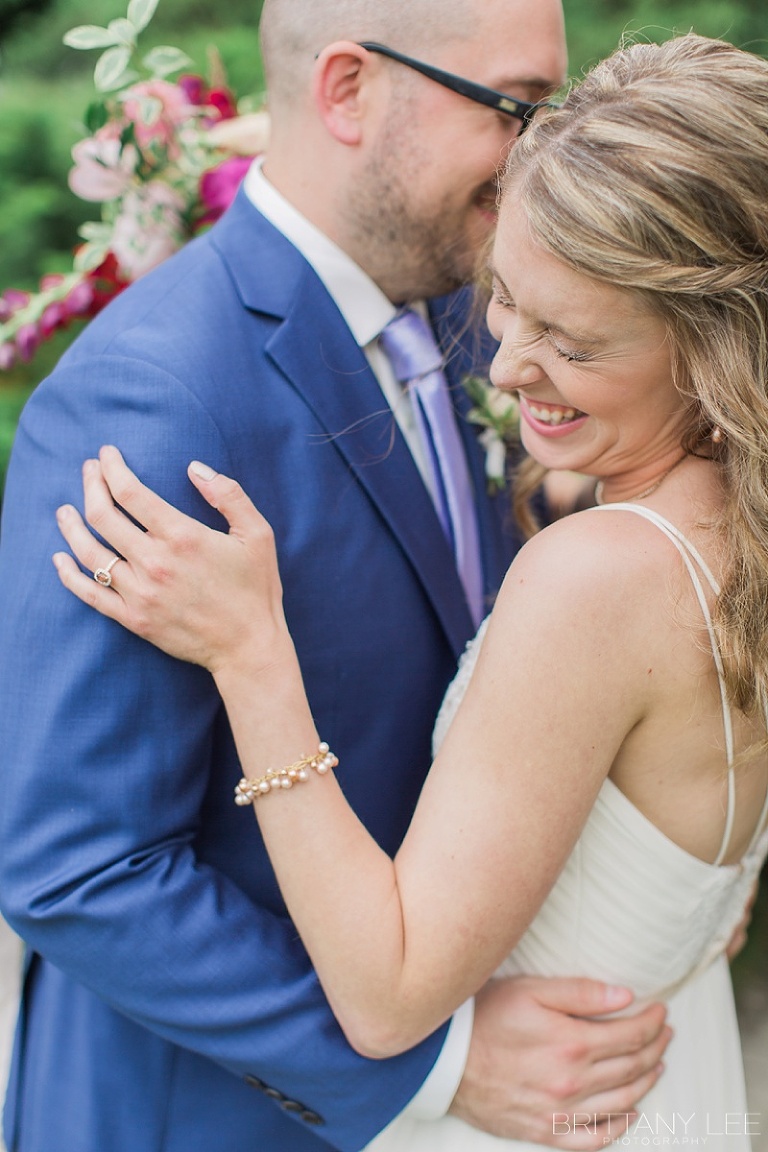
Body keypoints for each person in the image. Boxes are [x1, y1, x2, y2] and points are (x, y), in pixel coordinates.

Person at [49, 31, 768, 1152]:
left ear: (718, 348)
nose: (507, 360)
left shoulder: (600, 576)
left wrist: (252, 653)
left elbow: (387, 998)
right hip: (666, 1067)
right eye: (509, 300)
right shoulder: (734, 519)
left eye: (569, 339)